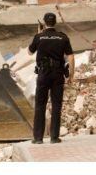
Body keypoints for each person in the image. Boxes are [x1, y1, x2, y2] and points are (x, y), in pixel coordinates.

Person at [27, 12, 74, 144]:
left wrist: (38, 34)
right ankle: (54, 137)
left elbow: (30, 52)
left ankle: (38, 138)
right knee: (56, 105)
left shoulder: (39, 37)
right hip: (58, 73)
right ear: (55, 22)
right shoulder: (62, 37)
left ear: (44, 22)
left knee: (40, 105)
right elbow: (70, 56)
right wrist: (71, 74)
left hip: (43, 73)